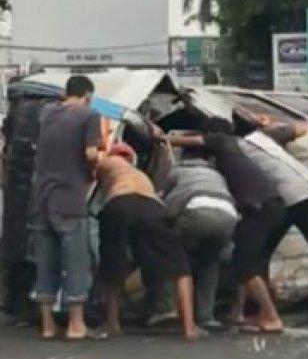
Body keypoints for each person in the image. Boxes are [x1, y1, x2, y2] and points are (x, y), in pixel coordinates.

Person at [168, 118, 286, 334]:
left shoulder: (224, 142)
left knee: (245, 265)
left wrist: (162, 139)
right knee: (247, 261)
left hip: (261, 206)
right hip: (264, 206)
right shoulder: (228, 160)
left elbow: (188, 141)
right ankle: (238, 312)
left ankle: (271, 316)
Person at [228, 113, 308, 326]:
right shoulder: (265, 137)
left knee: (255, 255)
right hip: (306, 190)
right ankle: (248, 309)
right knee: (261, 252)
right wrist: (271, 122)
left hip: (290, 197)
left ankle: (255, 310)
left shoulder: (236, 147)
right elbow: (302, 127)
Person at [93, 143, 201, 341]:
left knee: (112, 261)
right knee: (179, 266)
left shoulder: (109, 162)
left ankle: (112, 323)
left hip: (119, 201)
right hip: (152, 206)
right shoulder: (141, 175)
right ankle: (189, 326)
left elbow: (92, 182)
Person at [28, 75, 103, 340]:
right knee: (75, 263)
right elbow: (91, 154)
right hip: (69, 200)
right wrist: (94, 170)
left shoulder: (47, 114)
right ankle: (76, 325)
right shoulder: (89, 114)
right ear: (88, 95)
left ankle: (47, 326)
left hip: (40, 200)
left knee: (45, 263)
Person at [163, 152, 239, 332]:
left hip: (196, 211)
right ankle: (206, 316)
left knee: (179, 261)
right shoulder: (218, 175)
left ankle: (171, 311)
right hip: (228, 215)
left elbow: (169, 204)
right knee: (210, 263)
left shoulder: (177, 172)